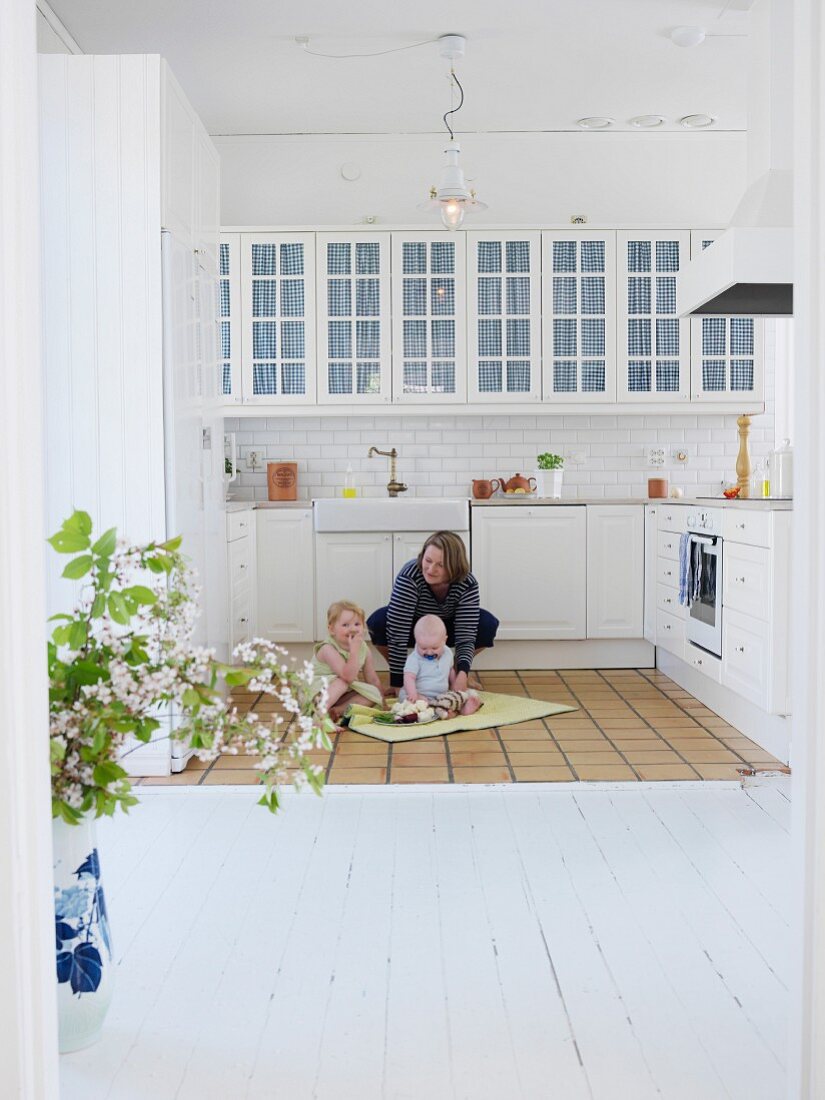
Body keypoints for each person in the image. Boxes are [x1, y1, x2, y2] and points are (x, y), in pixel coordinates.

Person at [367, 530, 499, 695]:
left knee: (487, 624)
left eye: (441, 565)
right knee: (378, 622)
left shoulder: (467, 583)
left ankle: (453, 673)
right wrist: (398, 681)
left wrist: (463, 674)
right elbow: (397, 632)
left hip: (449, 626)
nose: (430, 569)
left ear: (454, 567)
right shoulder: (410, 576)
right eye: (428, 560)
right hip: (414, 625)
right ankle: (410, 673)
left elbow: (466, 634)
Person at [310, 600, 384, 720]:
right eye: (345, 625)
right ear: (331, 629)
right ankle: (319, 714)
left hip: (341, 695)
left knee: (372, 694)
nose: (353, 629)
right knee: (342, 682)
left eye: (357, 624)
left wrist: (383, 702)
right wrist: (354, 651)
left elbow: (372, 678)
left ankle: (337, 711)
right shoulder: (328, 648)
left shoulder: (363, 648)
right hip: (317, 695)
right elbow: (347, 676)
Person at [401, 615, 482, 717]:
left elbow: (450, 670)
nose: (429, 652)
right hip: (419, 694)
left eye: (434, 648)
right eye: (423, 648)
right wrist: (413, 694)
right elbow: (409, 677)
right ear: (416, 640)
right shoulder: (414, 658)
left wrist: (454, 686)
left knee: (460, 696)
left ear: (445, 640)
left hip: (440, 694)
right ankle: (447, 712)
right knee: (415, 704)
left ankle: (462, 708)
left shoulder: (447, 652)